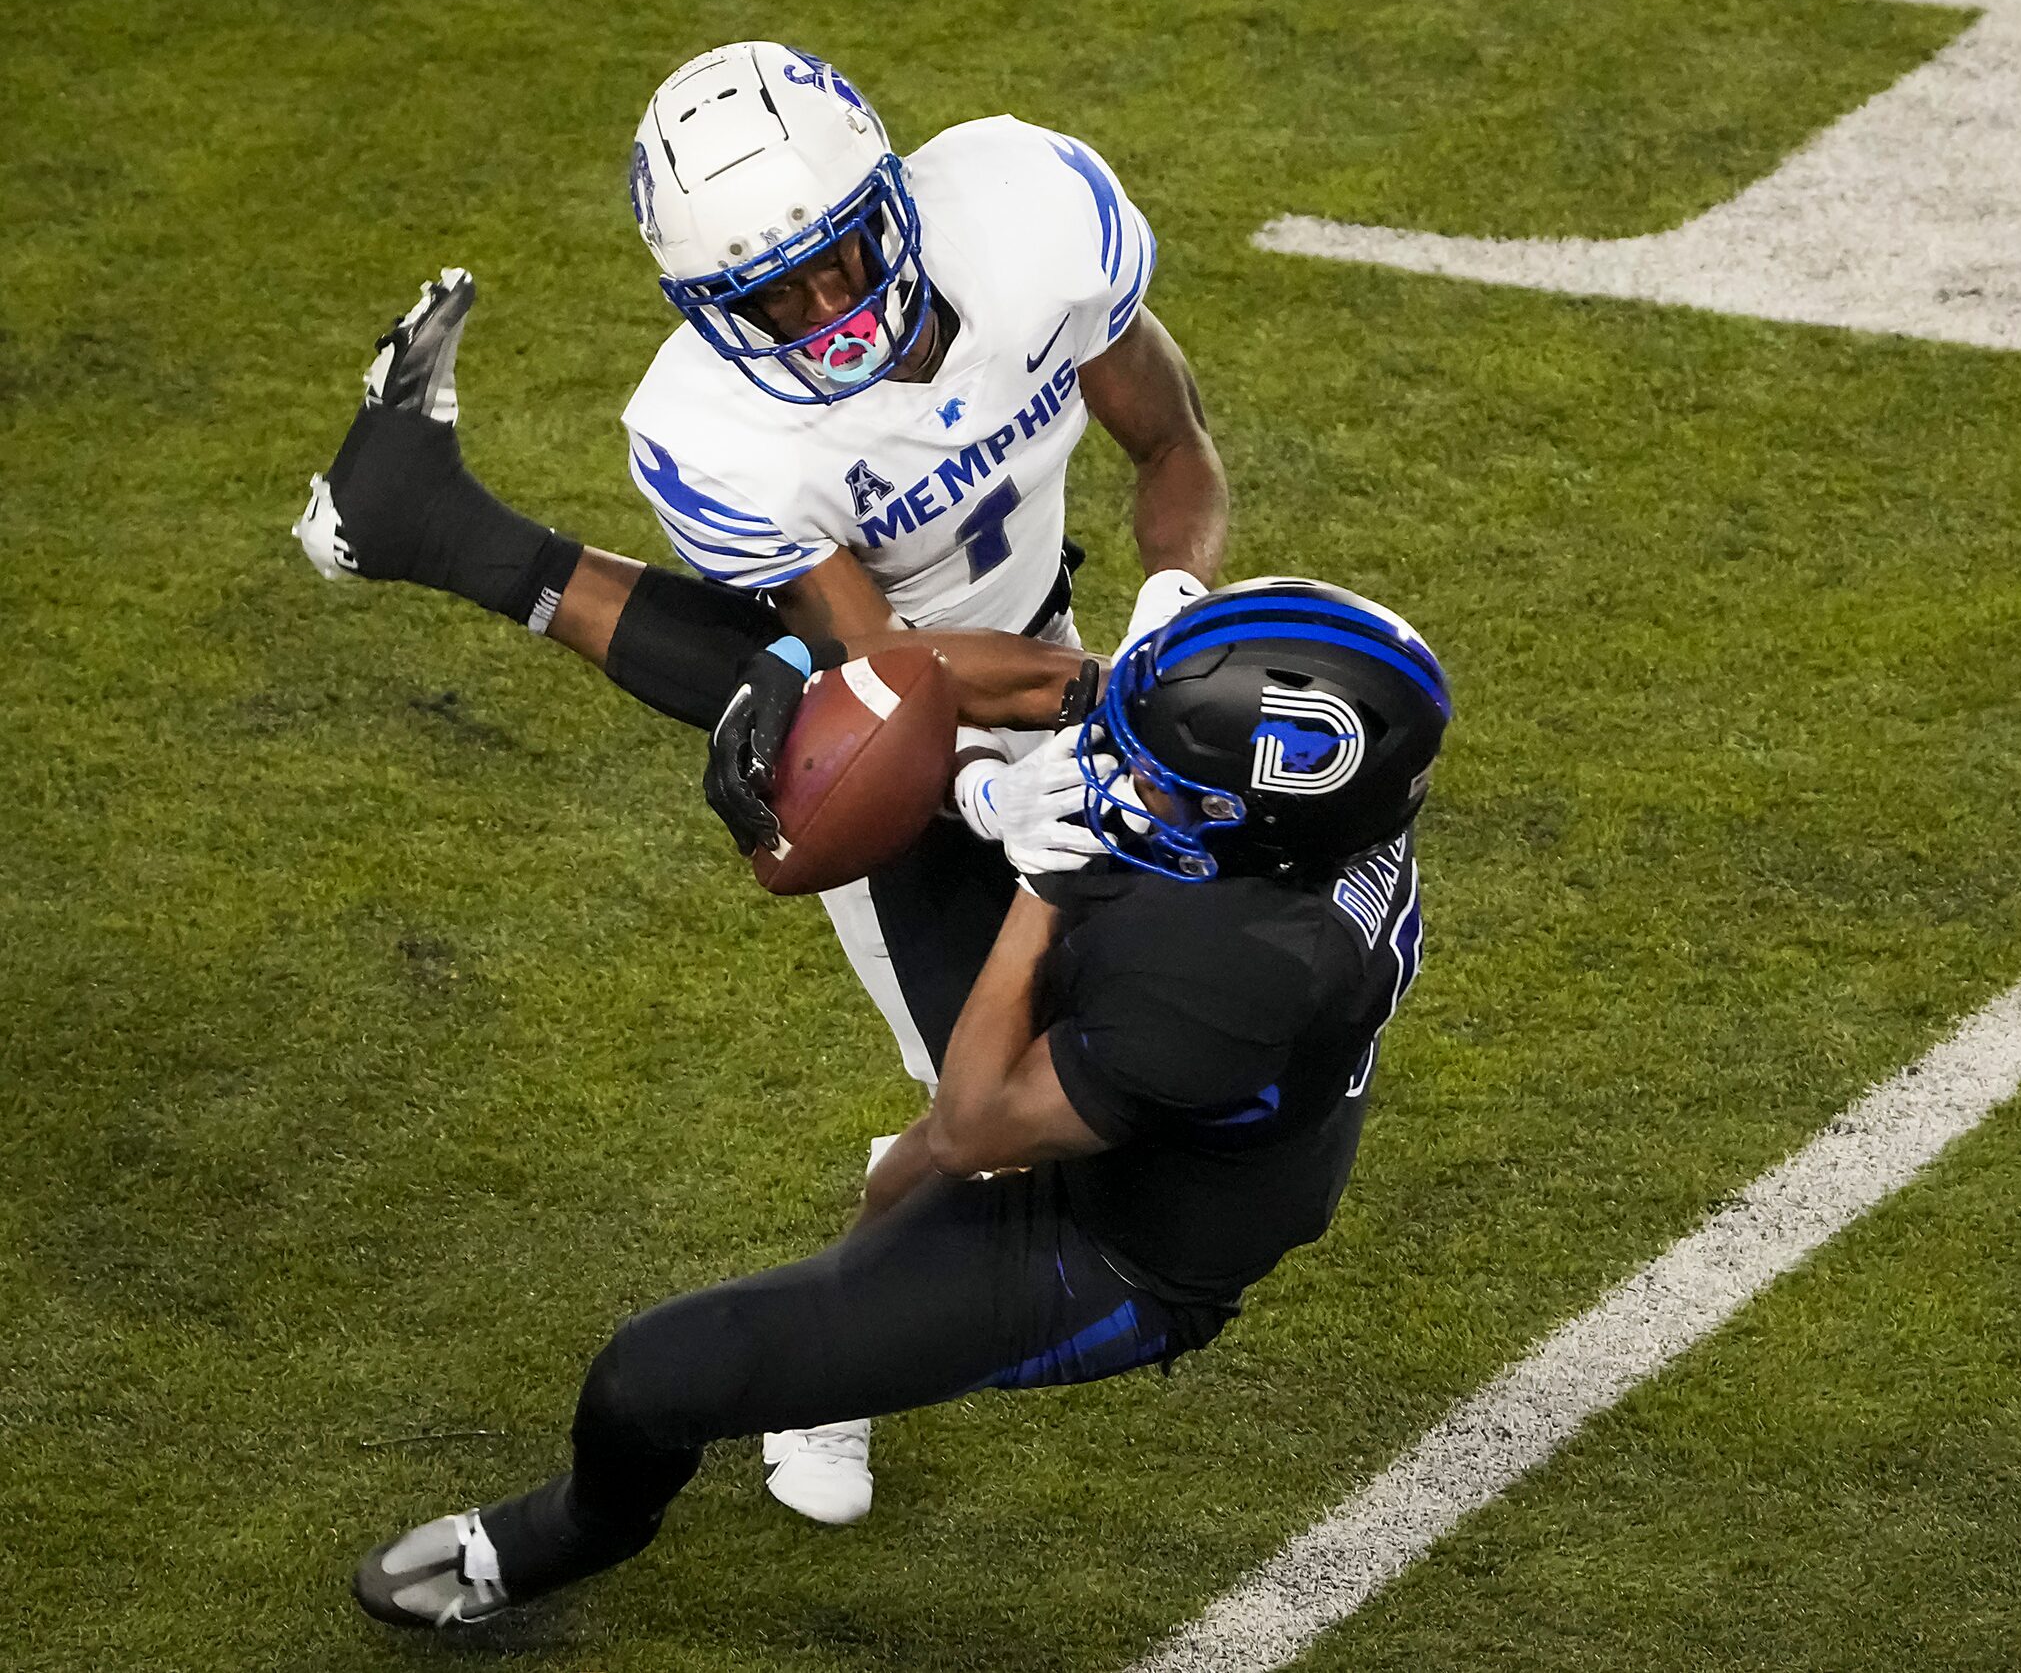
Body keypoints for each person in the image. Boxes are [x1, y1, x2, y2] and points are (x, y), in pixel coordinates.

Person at [297, 39, 1230, 1517]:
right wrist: (1003, 783)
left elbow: (1172, 437)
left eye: (832, 261)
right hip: (902, 704)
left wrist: (1174, 609)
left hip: (1041, 633)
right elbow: (893, 693)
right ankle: (822, 1380)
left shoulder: (1032, 211)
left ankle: (421, 517)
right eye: (767, 298)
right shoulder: (715, 429)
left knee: (1068, 1061)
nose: (820, 314)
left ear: (893, 197)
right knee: (998, 1112)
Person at [352, 578, 1448, 1630]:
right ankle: (865, 1288)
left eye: (1158, 776)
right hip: (1165, 1071)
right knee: (904, 1164)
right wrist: (802, 660)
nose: (1120, 770)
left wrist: (1039, 882)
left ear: (1248, 822)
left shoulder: (1237, 972)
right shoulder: (1307, 807)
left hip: (1116, 1249)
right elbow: (1009, 680)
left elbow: (977, 1128)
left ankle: (578, 1530)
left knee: (653, 1376)